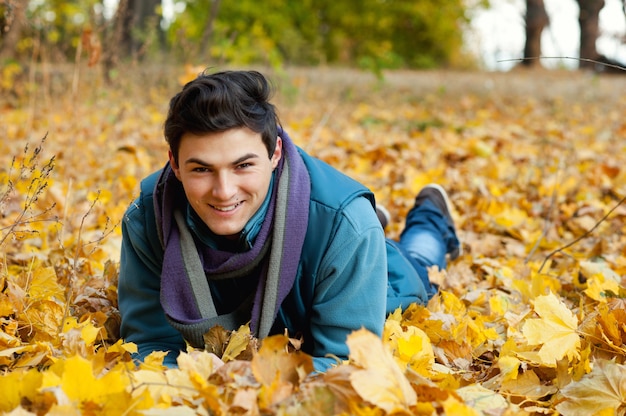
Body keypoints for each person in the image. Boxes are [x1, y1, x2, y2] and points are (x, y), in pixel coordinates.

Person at [117, 70, 461, 372]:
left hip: (357, 261)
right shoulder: (148, 218)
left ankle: (430, 214)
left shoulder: (346, 224)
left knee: (417, 261)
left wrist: (246, 388)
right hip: (322, 239)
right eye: (201, 169)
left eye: (243, 166)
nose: (223, 191)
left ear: (275, 154)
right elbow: (149, 348)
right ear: (174, 165)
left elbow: (345, 364)